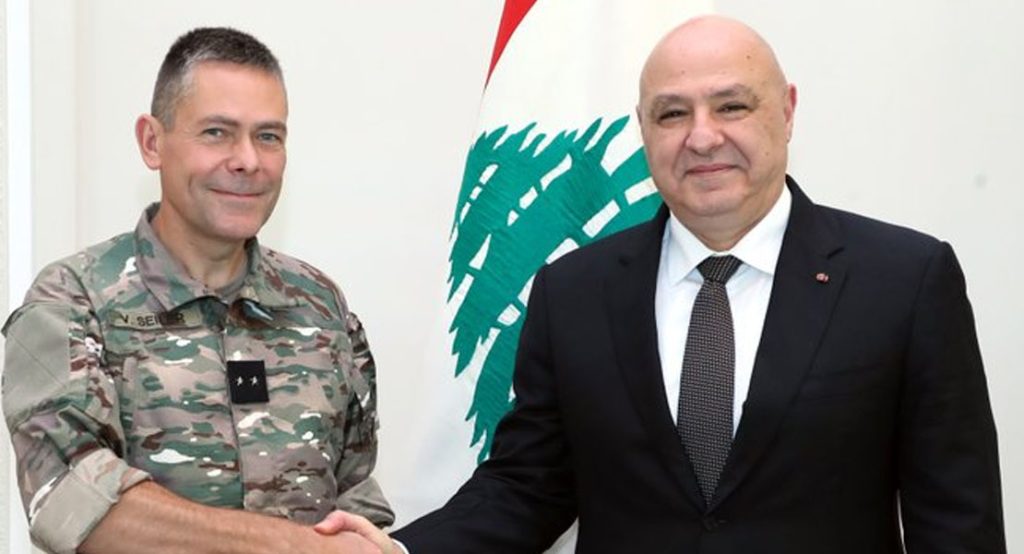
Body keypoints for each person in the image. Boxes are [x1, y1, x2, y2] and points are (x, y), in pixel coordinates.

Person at [320, 14, 1005, 553]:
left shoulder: (904, 281)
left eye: (731, 106)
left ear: (787, 110)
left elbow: (957, 519)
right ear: (644, 128)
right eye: (672, 114)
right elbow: (529, 487)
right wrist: (398, 552)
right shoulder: (572, 292)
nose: (702, 138)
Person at [2, 27, 393, 554]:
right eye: (216, 132)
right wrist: (298, 547)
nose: (248, 160)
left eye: (268, 136)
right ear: (152, 142)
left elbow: (358, 502)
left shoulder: (320, 306)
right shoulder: (72, 303)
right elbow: (74, 504)